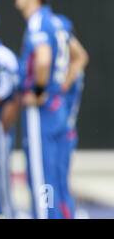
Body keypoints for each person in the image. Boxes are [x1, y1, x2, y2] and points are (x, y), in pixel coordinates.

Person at [10, 0, 75, 219]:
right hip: (58, 106)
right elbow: (79, 57)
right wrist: (62, 86)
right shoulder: (58, 22)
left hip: (42, 109)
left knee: (40, 176)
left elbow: (44, 60)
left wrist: (39, 90)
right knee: (55, 176)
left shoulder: (38, 21)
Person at [52, 14, 89, 219]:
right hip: (66, 129)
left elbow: (81, 57)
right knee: (59, 179)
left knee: (57, 179)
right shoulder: (68, 69)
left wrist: (60, 84)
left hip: (62, 129)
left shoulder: (69, 71)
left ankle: (66, 214)